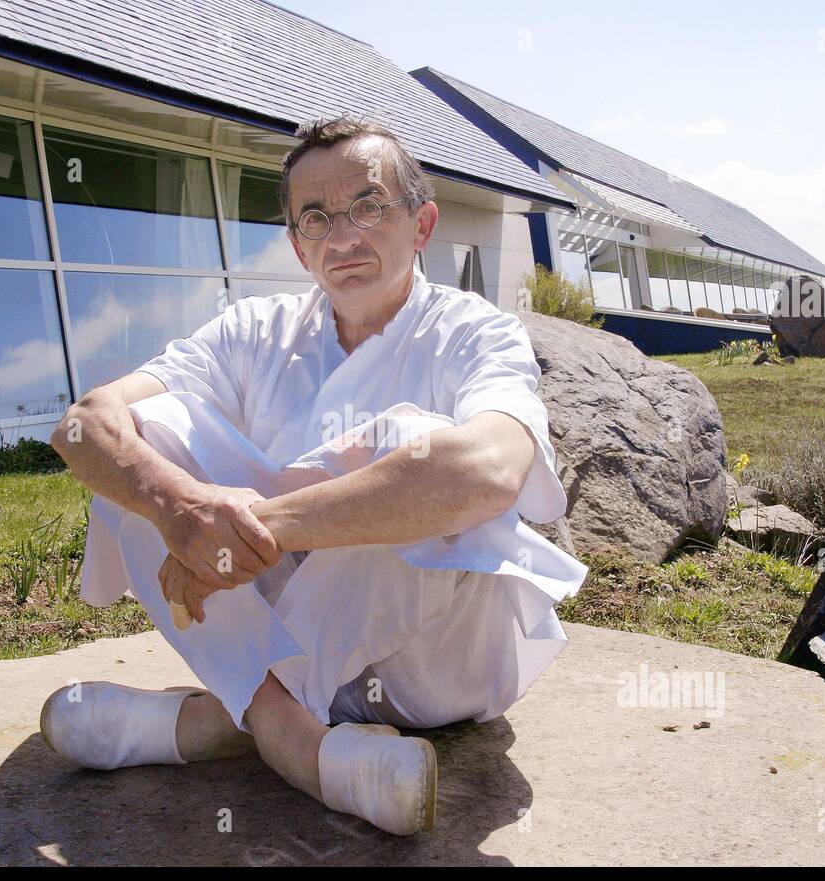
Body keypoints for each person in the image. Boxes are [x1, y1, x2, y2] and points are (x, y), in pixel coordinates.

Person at [43, 115, 587, 836]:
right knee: (146, 442)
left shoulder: (474, 331)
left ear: (421, 225)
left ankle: (216, 721)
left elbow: (491, 470)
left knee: (420, 445)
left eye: (369, 206)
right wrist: (178, 507)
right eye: (316, 218)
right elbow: (83, 425)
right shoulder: (254, 331)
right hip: (292, 642)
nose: (344, 236)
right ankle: (292, 738)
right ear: (299, 247)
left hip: (431, 669)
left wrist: (245, 531)